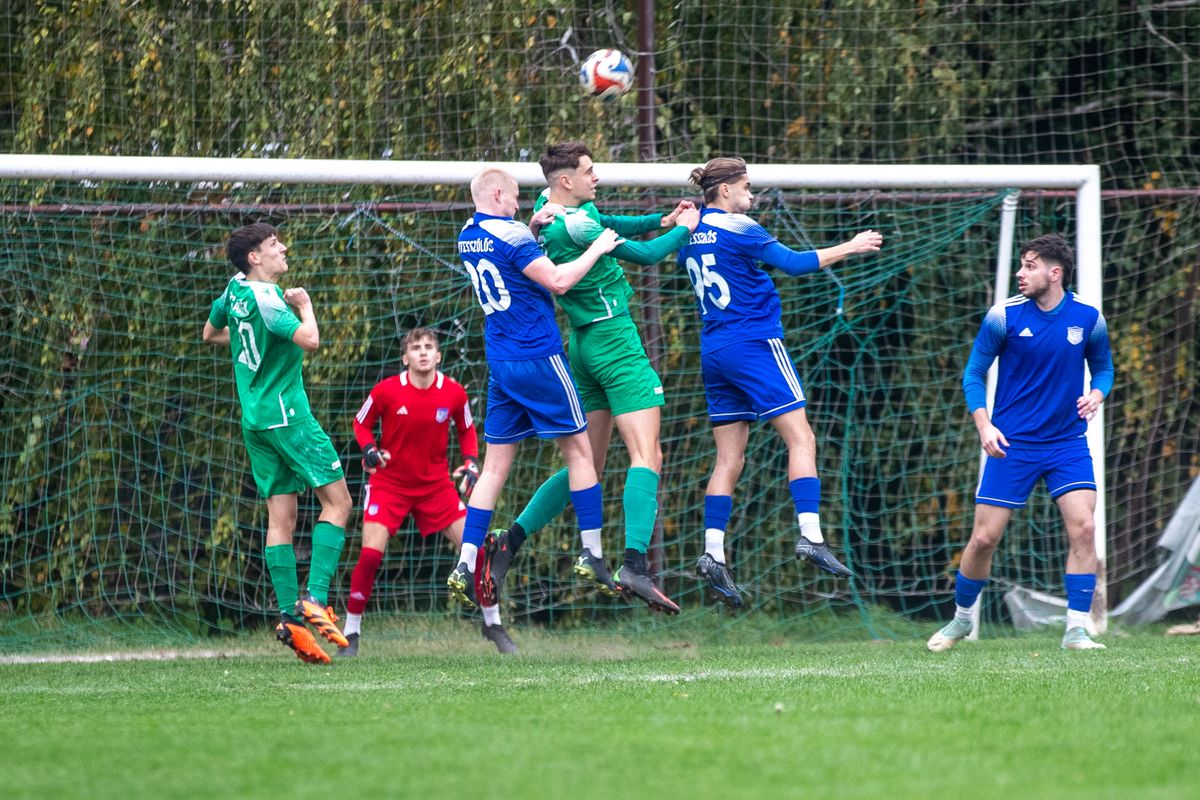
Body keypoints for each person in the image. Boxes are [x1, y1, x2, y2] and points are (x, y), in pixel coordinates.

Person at [488, 142, 700, 615]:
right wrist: (684, 229)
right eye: (588, 171)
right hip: (615, 340)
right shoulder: (580, 221)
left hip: (581, 345)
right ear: (567, 180)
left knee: (588, 464)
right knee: (648, 454)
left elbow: (609, 225)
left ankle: (510, 539)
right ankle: (634, 565)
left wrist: (659, 219)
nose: (596, 177)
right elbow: (645, 257)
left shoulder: (544, 211)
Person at [675, 157, 882, 608]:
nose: (751, 195)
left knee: (729, 459)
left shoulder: (688, 233)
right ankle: (811, 535)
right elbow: (792, 263)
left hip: (713, 350)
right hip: (754, 342)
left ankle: (713, 552)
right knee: (802, 438)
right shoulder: (739, 225)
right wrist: (851, 245)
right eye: (746, 187)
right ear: (725, 190)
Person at [449, 167, 620, 624]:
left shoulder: (469, 233)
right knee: (581, 455)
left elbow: (506, 253)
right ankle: (592, 552)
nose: (520, 204)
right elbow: (559, 281)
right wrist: (599, 246)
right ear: (499, 193)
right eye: (517, 198)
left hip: (501, 363)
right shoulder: (513, 236)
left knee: (495, 467)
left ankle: (465, 562)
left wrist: (532, 228)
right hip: (539, 357)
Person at [928, 234, 1114, 652]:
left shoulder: (1087, 317)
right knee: (984, 539)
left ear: (1055, 272)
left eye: (1030, 265)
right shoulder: (1003, 316)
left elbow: (1103, 367)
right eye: (1021, 264)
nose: (1020, 273)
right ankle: (960, 620)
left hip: (1067, 443)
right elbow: (973, 373)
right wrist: (984, 424)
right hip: (1011, 444)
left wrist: (1098, 394)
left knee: (1084, 529)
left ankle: (1075, 630)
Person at [202, 222, 352, 664]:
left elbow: (211, 334)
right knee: (338, 503)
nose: (283, 248)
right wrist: (305, 307)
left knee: (280, 518)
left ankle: (289, 618)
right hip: (288, 417)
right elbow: (312, 340)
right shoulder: (270, 299)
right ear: (255, 257)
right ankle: (316, 597)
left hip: (255, 421)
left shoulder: (234, 291)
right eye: (273, 245)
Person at [343, 327, 516, 655]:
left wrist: (471, 462)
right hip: (389, 485)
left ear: (438, 356)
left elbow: (466, 430)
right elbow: (361, 423)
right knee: (369, 555)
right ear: (405, 357)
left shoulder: (453, 393)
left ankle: (492, 623)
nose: (423, 352)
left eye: (429, 347)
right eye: (416, 347)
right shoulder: (386, 391)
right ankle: (351, 633)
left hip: (436, 487)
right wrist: (369, 450)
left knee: (477, 552)